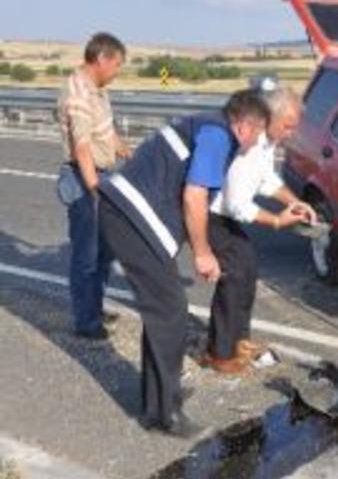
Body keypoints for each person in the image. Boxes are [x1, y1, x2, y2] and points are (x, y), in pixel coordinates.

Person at [97, 89, 270, 438]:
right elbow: (194, 197)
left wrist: (199, 246)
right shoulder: (218, 136)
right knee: (170, 310)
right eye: (260, 133)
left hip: (128, 217)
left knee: (164, 310)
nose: (258, 142)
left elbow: (189, 196)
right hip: (130, 219)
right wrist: (204, 254)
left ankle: (158, 398)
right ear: (246, 126)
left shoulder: (207, 126)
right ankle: (164, 414)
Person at [202, 83, 316, 374]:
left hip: (226, 212)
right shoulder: (250, 144)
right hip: (211, 212)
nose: (291, 133)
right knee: (235, 272)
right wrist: (277, 221)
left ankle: (239, 340)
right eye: (288, 126)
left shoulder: (268, 141)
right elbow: (237, 205)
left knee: (247, 266)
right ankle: (220, 352)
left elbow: (267, 180)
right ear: (271, 116)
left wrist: (296, 202)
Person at [56, 32, 131, 340]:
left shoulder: (97, 90)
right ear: (101, 59)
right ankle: (86, 323)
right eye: (116, 65)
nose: (117, 72)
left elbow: (106, 132)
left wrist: (128, 151)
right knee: (86, 256)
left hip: (101, 176)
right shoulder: (78, 94)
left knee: (104, 253)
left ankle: (95, 309)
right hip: (85, 179)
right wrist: (95, 189)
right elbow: (83, 147)